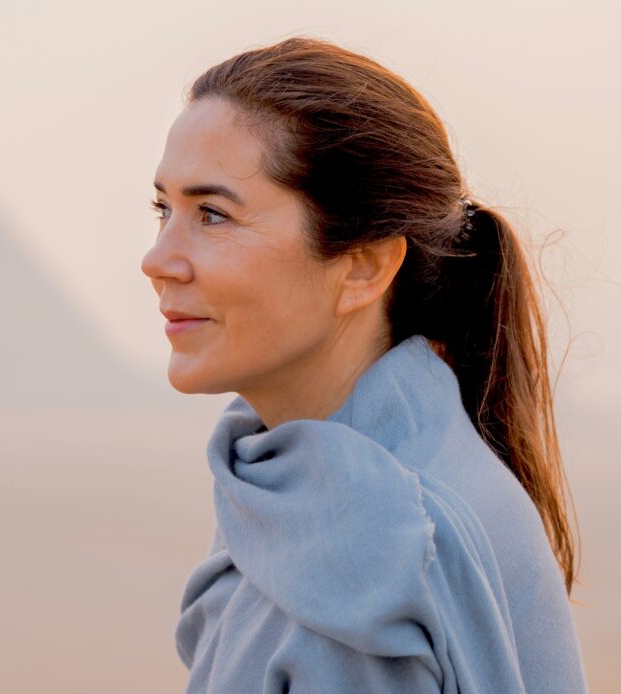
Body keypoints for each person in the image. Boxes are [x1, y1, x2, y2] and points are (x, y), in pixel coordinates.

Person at [141, 37, 586, 693]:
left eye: (212, 214)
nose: (158, 260)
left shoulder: (367, 549)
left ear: (364, 267)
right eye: (163, 210)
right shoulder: (307, 486)